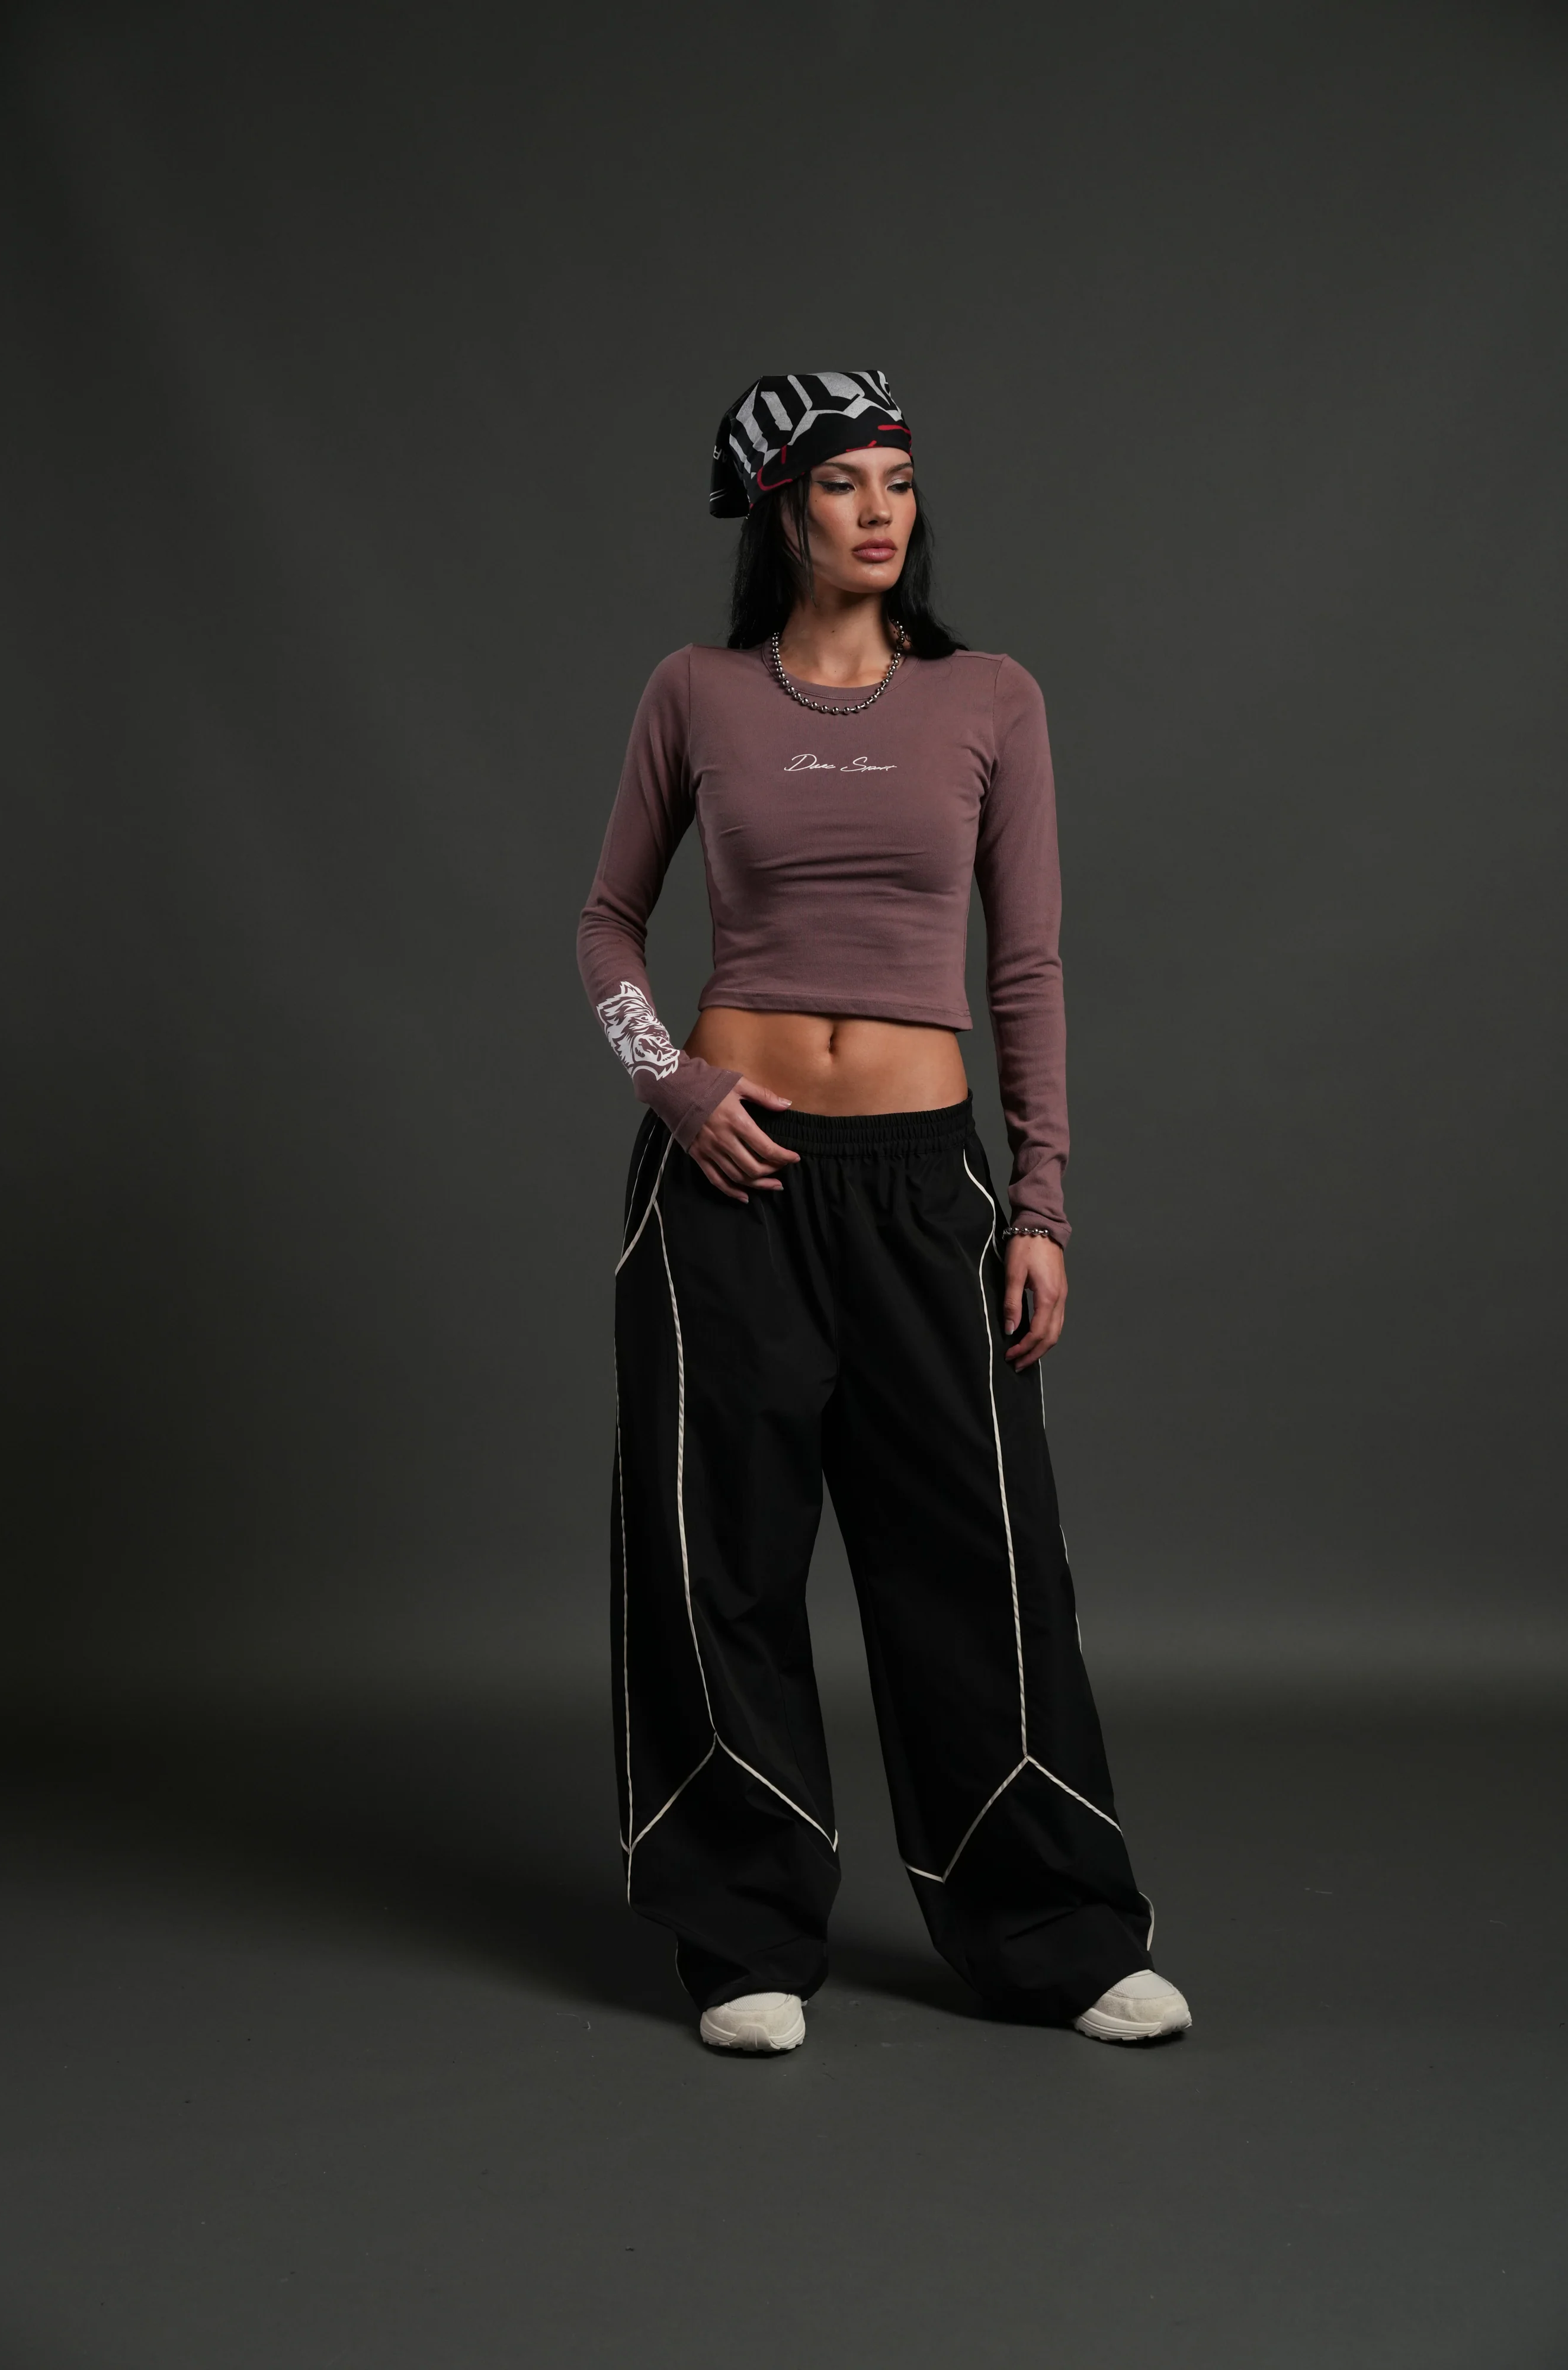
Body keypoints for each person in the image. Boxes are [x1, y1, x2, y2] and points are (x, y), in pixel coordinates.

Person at [576, 370, 1190, 2054]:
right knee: (723, 1555)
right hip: (731, 1180)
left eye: (900, 481)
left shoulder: (990, 699)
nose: (880, 511)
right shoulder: (694, 692)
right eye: (844, 482)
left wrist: (1041, 1198)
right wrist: (674, 1088)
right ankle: (742, 1935)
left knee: (979, 1557)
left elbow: (1026, 963)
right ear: (783, 511)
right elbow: (606, 927)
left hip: (925, 1185)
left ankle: (1055, 1930)